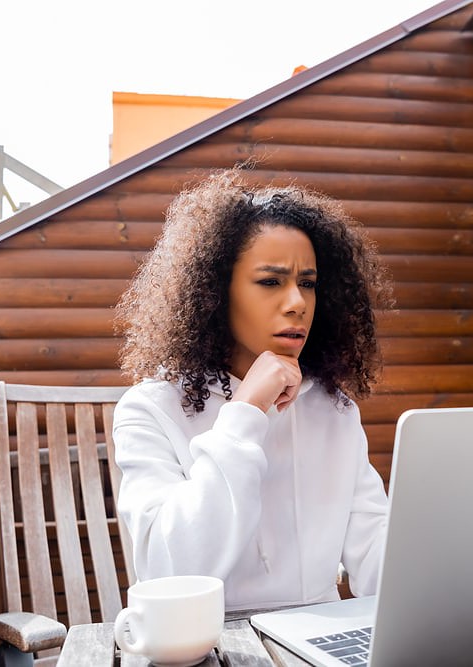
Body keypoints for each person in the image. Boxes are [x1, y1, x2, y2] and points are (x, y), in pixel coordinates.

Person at [113, 167, 394, 611]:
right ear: (216, 292)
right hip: (213, 644)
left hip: (318, 639)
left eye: (308, 283)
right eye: (270, 282)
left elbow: (376, 558)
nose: (298, 302)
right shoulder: (150, 409)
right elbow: (169, 572)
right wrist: (245, 412)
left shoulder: (333, 408)